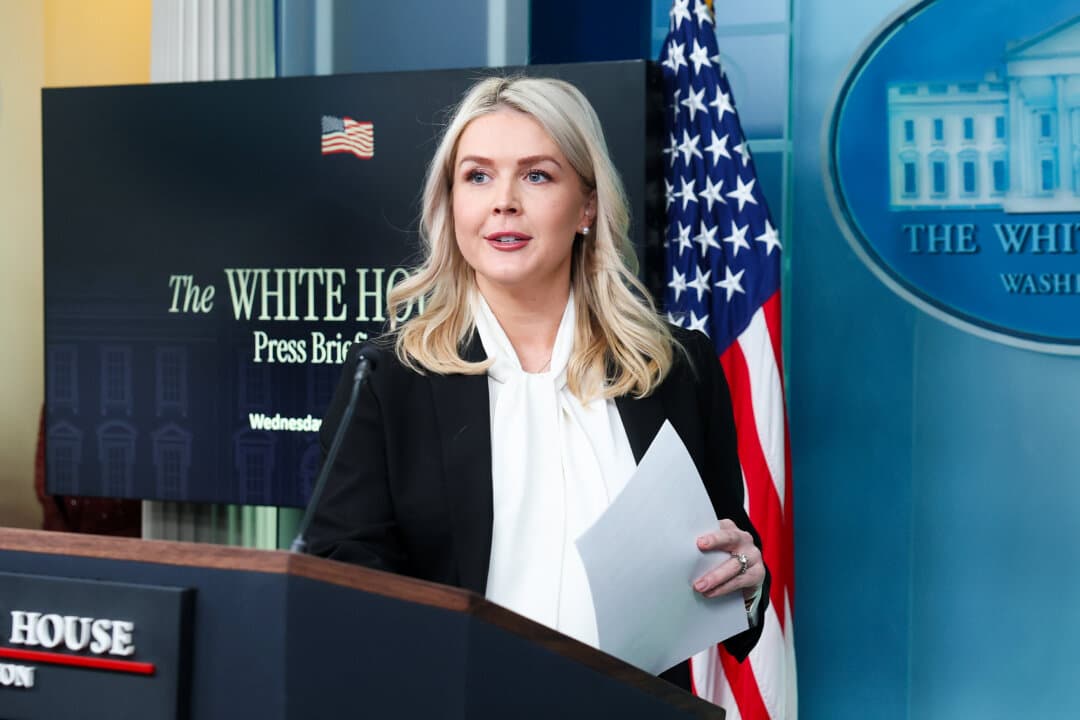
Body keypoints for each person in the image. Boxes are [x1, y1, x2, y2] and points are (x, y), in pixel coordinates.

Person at [307, 75, 769, 686]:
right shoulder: (391, 377)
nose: (503, 201)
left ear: (587, 205)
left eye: (536, 175)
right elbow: (344, 580)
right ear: (451, 207)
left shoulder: (676, 367)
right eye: (477, 176)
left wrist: (745, 578)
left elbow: (724, 557)